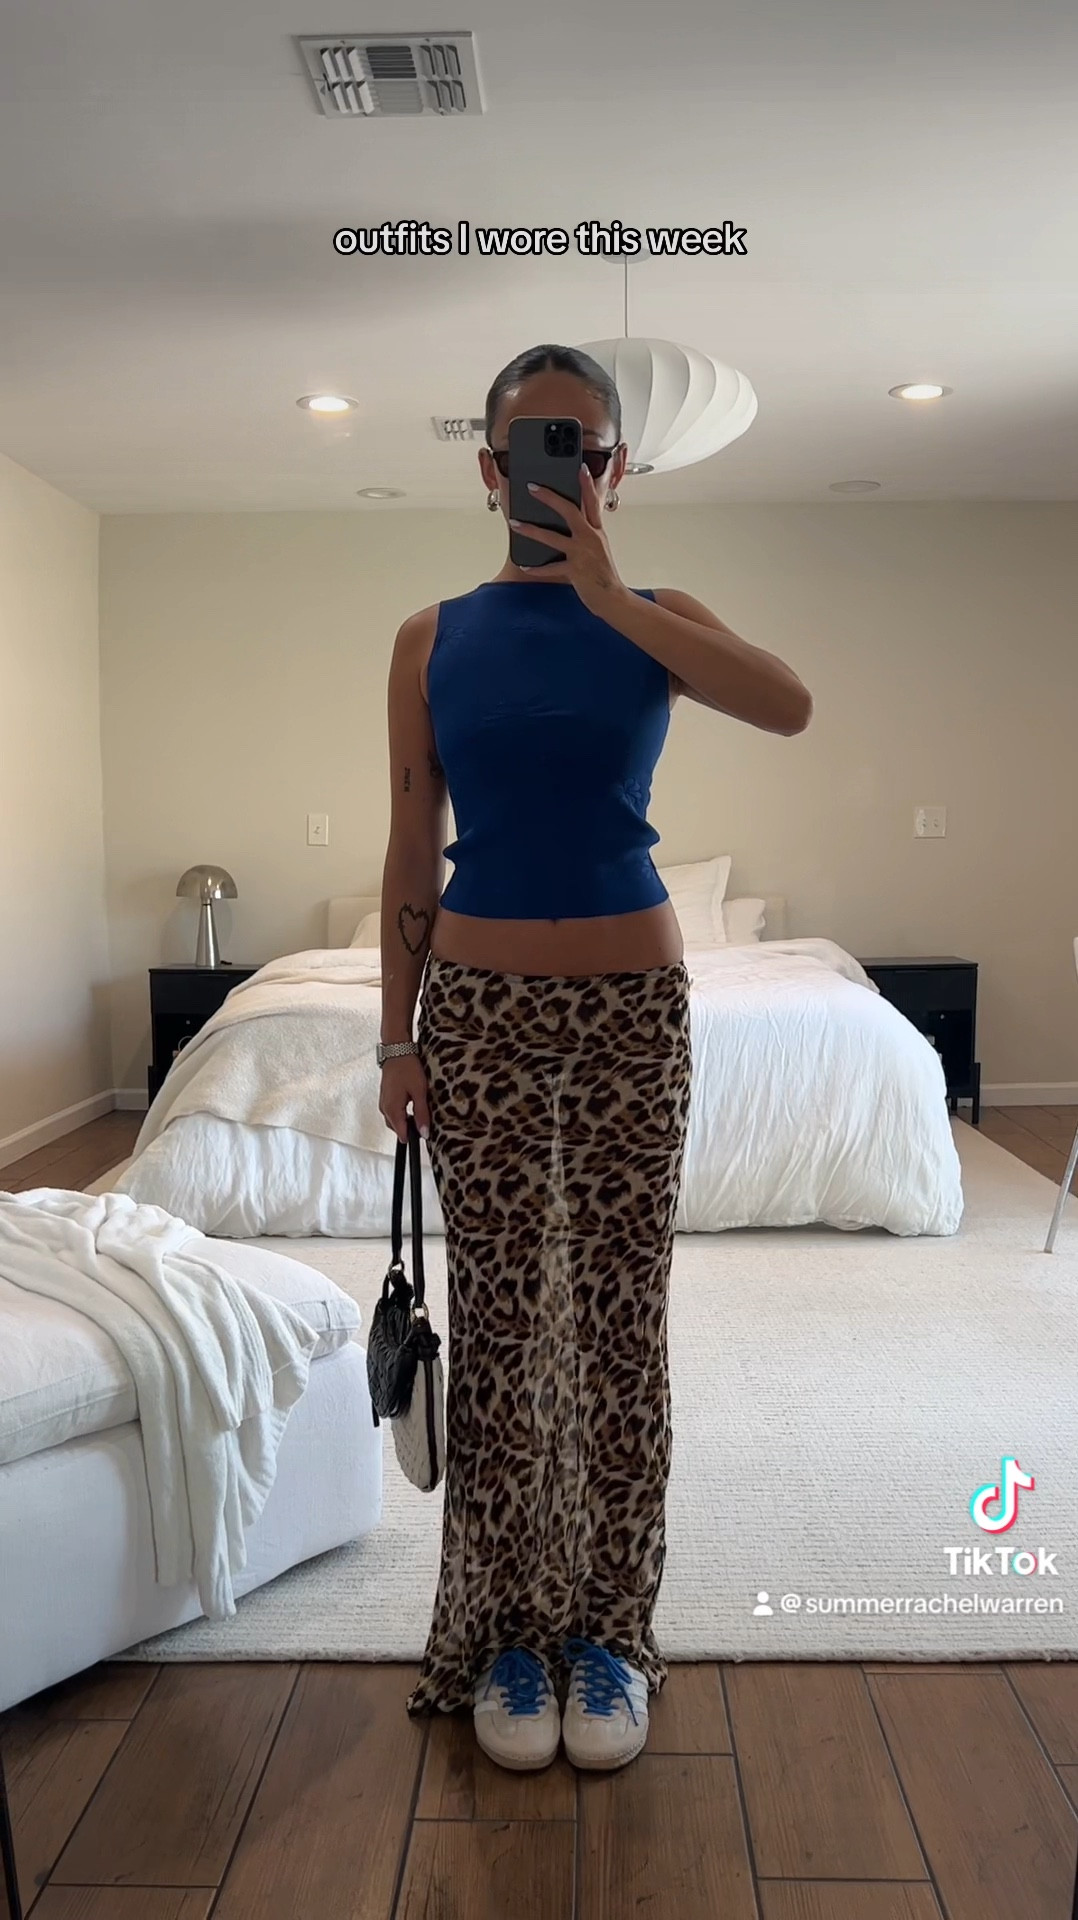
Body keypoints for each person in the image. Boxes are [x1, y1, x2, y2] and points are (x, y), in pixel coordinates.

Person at [377, 343, 812, 1773]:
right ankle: (510, 1634)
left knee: (621, 1327)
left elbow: (789, 704)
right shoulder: (430, 638)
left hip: (635, 1013)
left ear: (617, 469)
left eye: (587, 446)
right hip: (480, 1019)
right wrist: (395, 1035)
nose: (562, 469)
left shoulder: (658, 618)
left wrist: (614, 597)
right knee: (504, 1326)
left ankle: (611, 1633)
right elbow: (410, 846)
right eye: (533, 445)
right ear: (489, 468)